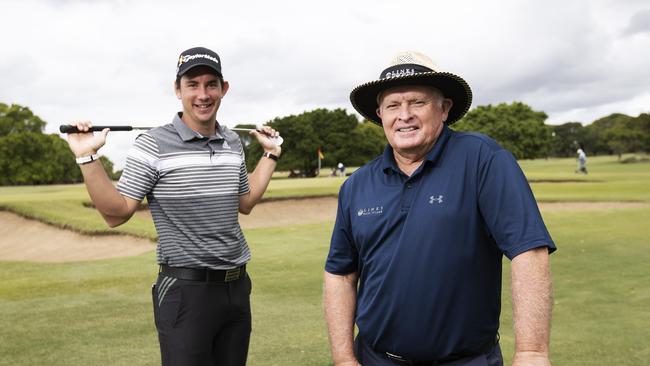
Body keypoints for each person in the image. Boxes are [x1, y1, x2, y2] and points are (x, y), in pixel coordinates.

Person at [324, 51, 556, 366]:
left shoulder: (483, 159)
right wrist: (343, 358)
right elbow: (341, 274)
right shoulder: (356, 185)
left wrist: (532, 353)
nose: (404, 115)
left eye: (417, 102)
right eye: (393, 105)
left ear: (443, 108)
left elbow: (528, 251)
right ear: (380, 114)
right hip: (375, 358)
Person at [65, 46, 282, 365]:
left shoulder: (233, 142)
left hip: (237, 288)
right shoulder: (152, 144)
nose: (203, 94)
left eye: (211, 84)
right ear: (177, 89)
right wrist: (87, 156)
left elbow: (245, 203)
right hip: (186, 291)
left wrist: (271, 153)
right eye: (192, 84)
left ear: (224, 89)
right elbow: (117, 213)